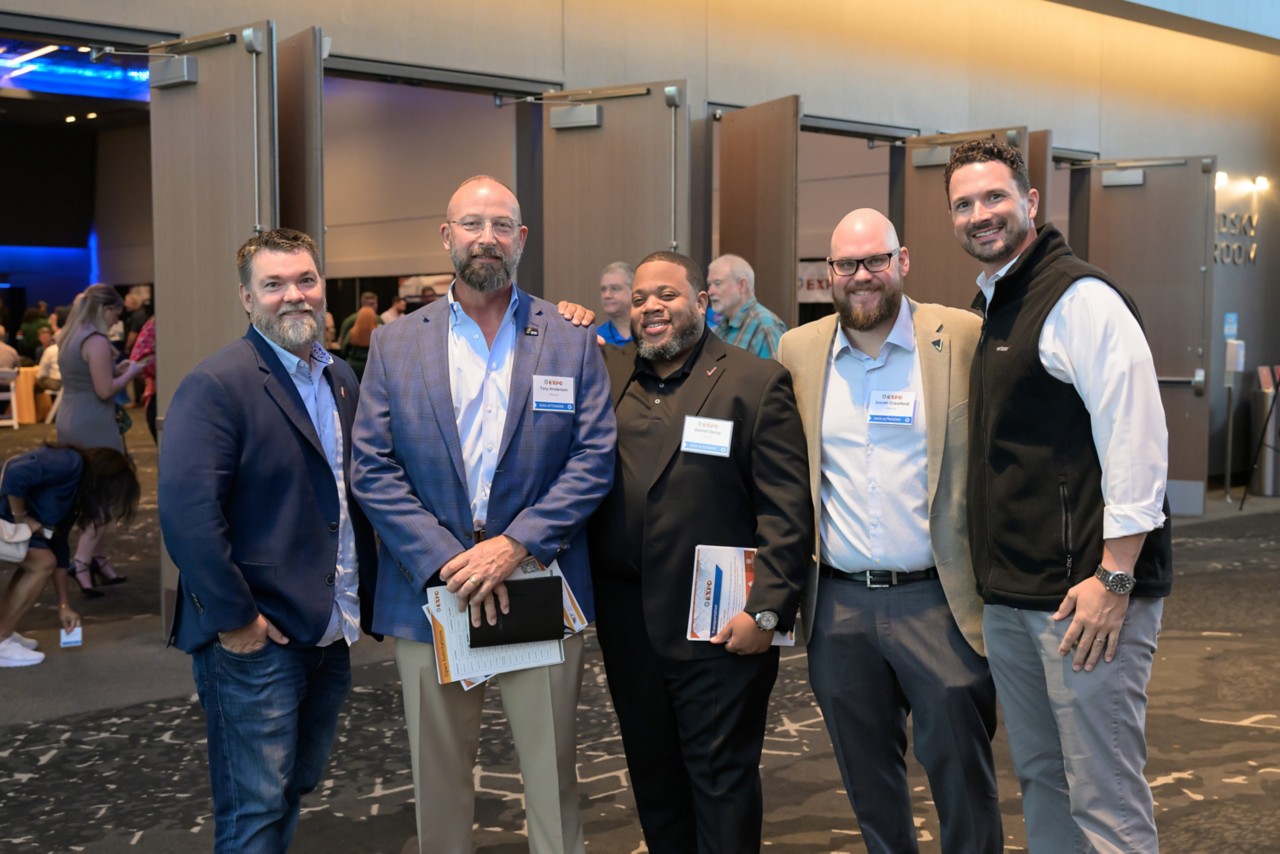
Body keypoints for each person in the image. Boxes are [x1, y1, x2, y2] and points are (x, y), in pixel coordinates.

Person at [352, 175, 614, 854]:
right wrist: (449, 558)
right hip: (434, 592)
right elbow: (372, 468)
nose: (487, 237)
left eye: (502, 225)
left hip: (537, 580)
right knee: (436, 787)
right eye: (472, 224)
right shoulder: (395, 343)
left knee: (553, 777)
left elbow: (593, 460)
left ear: (521, 239)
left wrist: (514, 546)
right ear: (447, 237)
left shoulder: (569, 338)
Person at [943, 139, 1172, 853]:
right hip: (1017, 598)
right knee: (1044, 777)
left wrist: (1114, 576)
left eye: (994, 197)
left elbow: (1137, 441)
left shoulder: (1080, 298)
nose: (980, 214)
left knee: (1105, 797)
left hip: (1086, 601)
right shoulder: (996, 304)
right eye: (963, 203)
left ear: (1030, 202)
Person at [776, 209, 1000, 853]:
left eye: (876, 261)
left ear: (902, 262)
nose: (862, 276)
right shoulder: (799, 350)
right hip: (839, 607)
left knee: (963, 775)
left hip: (940, 600)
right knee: (867, 779)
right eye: (847, 265)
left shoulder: (959, 335)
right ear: (829, 274)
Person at [158, 228, 381, 852]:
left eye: (305, 281)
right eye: (274, 285)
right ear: (247, 299)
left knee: (293, 785)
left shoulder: (339, 377)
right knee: (254, 809)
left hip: (328, 628)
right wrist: (237, 622)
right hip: (255, 639)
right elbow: (186, 515)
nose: (294, 296)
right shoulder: (218, 385)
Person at [588, 251, 810, 853]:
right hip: (629, 626)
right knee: (655, 784)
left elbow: (787, 512)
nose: (651, 308)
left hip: (718, 623)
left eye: (667, 295)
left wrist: (766, 611)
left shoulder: (754, 382)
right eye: (639, 300)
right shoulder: (608, 375)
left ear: (702, 303)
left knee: (721, 784)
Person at [0, 445, 139, 666]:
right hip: (8, 516)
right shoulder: (69, 463)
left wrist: (64, 605)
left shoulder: (75, 496)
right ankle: (1, 642)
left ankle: (4, 630)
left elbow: (60, 548)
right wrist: (21, 516)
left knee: (39, 560)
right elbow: (15, 473)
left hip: (13, 521)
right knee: (41, 561)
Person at [55, 285, 147, 596]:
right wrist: (133, 371)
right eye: (114, 314)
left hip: (70, 416)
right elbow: (105, 390)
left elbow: (89, 378)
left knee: (90, 492)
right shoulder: (95, 340)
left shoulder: (68, 336)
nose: (115, 320)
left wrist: (116, 369)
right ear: (104, 310)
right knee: (108, 492)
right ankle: (82, 561)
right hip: (94, 421)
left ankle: (98, 559)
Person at [705, 253, 787, 360]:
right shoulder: (723, 325)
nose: (710, 292)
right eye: (709, 285)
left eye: (717, 283)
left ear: (742, 286)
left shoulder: (765, 326)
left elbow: (778, 375)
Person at [128, 316, 157, 442]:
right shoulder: (155, 324)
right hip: (159, 394)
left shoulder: (154, 324)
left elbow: (138, 360)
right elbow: (139, 361)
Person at [595, 261, 633, 346]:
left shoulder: (649, 333)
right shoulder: (597, 338)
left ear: (633, 291)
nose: (606, 295)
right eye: (603, 289)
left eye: (615, 288)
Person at [341, 306, 377, 381]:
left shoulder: (351, 333)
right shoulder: (377, 334)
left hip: (353, 367)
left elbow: (344, 350)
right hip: (371, 368)